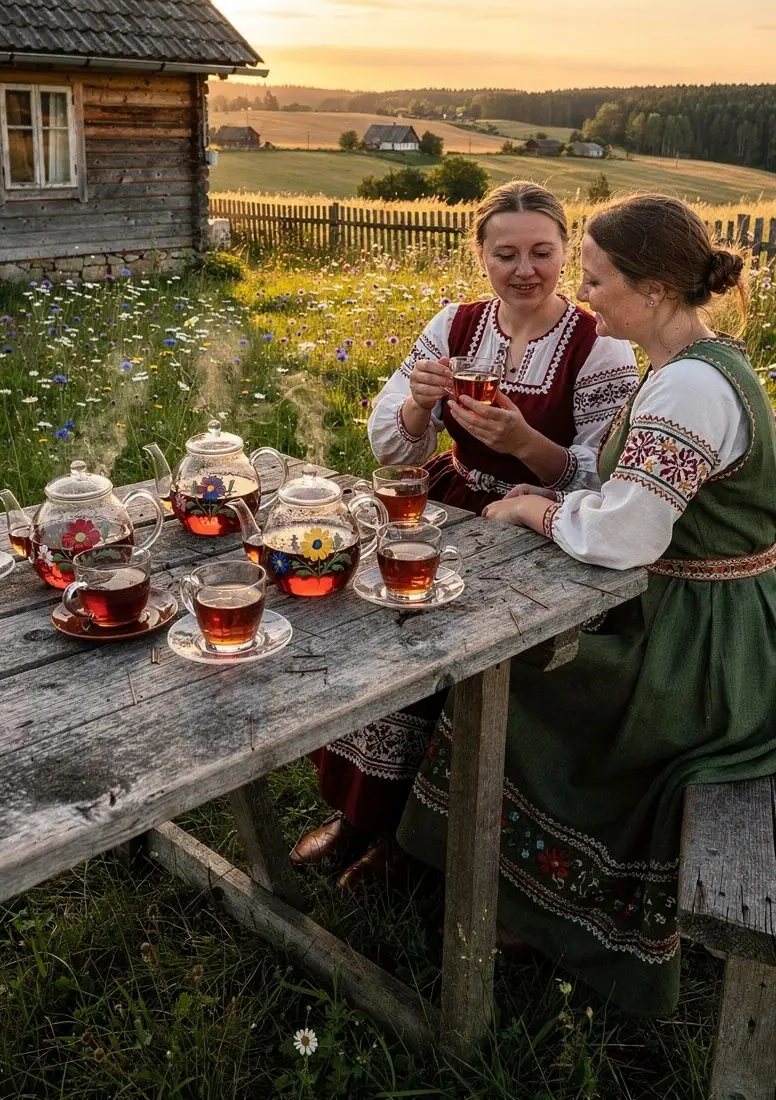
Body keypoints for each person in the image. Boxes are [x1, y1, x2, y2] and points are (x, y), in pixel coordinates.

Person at [397, 194, 776, 1016]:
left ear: (655, 288)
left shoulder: (686, 394)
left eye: (598, 278)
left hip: (702, 649)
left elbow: (625, 536)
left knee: (518, 691)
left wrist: (529, 507)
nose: (586, 293)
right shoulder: (696, 368)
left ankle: (549, 917)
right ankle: (511, 895)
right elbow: (616, 488)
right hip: (696, 616)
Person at [290, 182, 638, 885]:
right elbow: (395, 449)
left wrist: (526, 443)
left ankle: (413, 843)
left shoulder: (598, 348)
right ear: (480, 253)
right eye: (505, 252)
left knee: (451, 656)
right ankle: (361, 816)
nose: (524, 269)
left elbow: (603, 480)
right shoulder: (455, 325)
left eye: (542, 251)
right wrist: (419, 408)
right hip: (448, 505)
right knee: (380, 625)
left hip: (539, 524)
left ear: (565, 254)